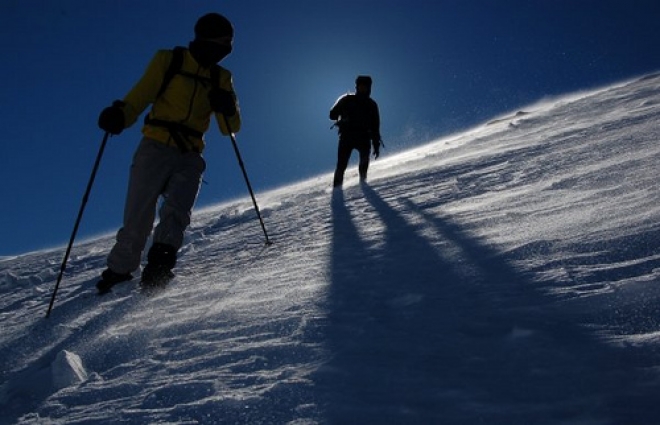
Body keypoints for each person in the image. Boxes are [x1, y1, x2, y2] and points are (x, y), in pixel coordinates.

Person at [95, 12, 241, 292]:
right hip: (156, 146)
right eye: (222, 42)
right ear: (206, 38)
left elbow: (229, 127)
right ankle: (120, 270)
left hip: (191, 152)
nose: (225, 50)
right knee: (139, 213)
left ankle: (160, 266)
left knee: (177, 211)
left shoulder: (221, 77)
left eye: (228, 44)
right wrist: (120, 116)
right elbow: (141, 95)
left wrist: (228, 106)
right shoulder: (169, 60)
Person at [329, 75, 381, 187]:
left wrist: (376, 144)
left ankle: (363, 183)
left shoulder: (372, 105)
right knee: (341, 165)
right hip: (346, 137)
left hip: (364, 138)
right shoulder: (347, 99)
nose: (362, 89)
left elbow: (375, 126)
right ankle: (337, 189)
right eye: (360, 86)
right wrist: (342, 117)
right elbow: (332, 115)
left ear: (369, 88)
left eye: (365, 87)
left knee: (364, 162)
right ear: (356, 87)